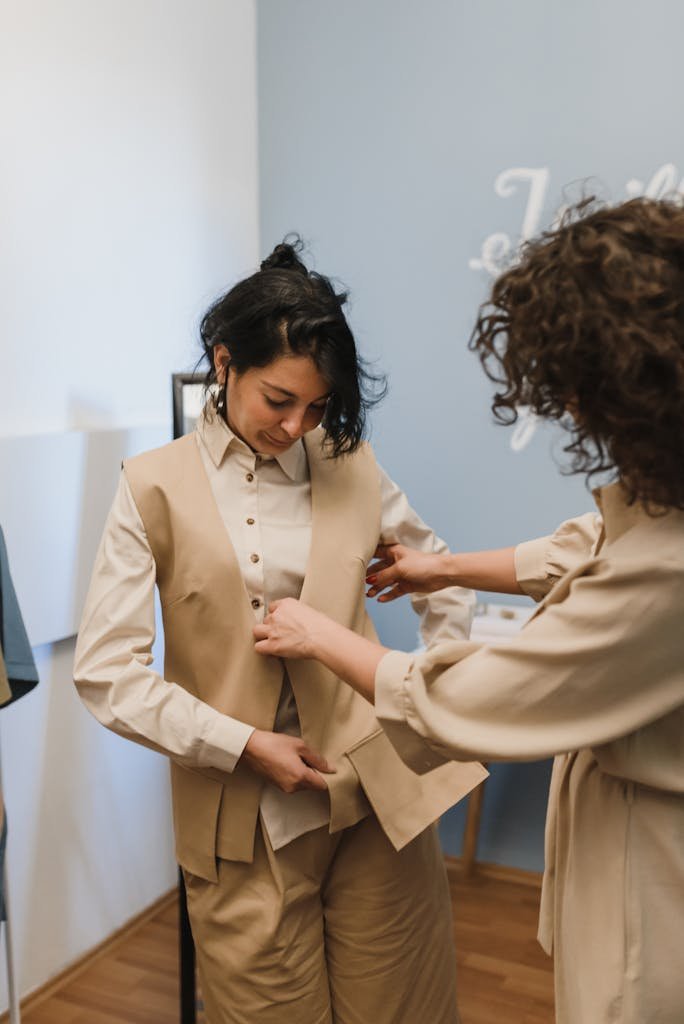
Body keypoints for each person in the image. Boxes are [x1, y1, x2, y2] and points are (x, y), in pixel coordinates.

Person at [253, 198, 684, 1024]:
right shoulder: (659, 506)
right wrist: (439, 566)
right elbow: (585, 544)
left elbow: (471, 699)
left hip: (654, 879)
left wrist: (322, 635)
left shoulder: (666, 573)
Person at [73, 239, 486, 1024]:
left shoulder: (350, 462)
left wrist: (433, 694)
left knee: (403, 1010)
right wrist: (240, 742)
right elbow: (107, 673)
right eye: (278, 401)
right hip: (241, 818)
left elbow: (436, 572)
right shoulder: (149, 487)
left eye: (318, 407)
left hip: (376, 802)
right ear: (224, 362)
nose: (298, 426)